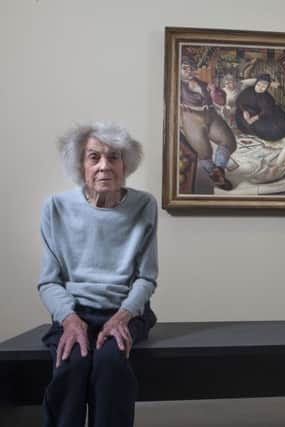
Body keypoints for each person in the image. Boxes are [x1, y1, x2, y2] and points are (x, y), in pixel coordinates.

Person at [37, 122, 158, 427]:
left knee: (110, 364)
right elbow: (49, 281)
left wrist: (123, 316)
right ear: (81, 165)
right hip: (74, 311)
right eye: (94, 157)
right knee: (70, 364)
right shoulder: (56, 208)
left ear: (125, 164)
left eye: (113, 157)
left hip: (125, 311)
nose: (104, 166)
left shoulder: (144, 205)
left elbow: (146, 278)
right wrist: (69, 319)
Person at [180, 56, 237, 191]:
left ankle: (219, 170)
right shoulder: (177, 86)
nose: (188, 71)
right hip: (192, 118)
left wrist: (214, 91)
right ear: (179, 71)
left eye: (191, 69)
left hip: (211, 115)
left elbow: (221, 101)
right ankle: (216, 177)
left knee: (229, 142)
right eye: (184, 69)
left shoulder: (204, 84)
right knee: (204, 152)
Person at [235, 74, 285, 141]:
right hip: (244, 116)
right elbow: (239, 102)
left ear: (267, 87)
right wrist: (244, 111)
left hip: (261, 117)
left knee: (275, 127)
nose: (260, 88)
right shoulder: (248, 91)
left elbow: (267, 110)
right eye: (258, 85)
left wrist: (255, 117)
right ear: (256, 83)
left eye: (264, 86)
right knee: (257, 127)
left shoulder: (266, 96)